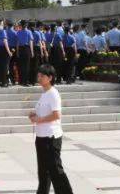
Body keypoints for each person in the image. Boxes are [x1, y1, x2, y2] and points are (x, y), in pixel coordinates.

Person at [29, 64, 73, 194]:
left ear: (50, 78)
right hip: (41, 137)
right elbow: (43, 113)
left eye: (42, 76)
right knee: (43, 171)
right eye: (39, 75)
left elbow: (56, 115)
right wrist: (34, 115)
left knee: (55, 171)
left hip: (51, 138)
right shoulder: (44, 93)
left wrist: (39, 120)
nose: (39, 77)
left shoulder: (53, 93)